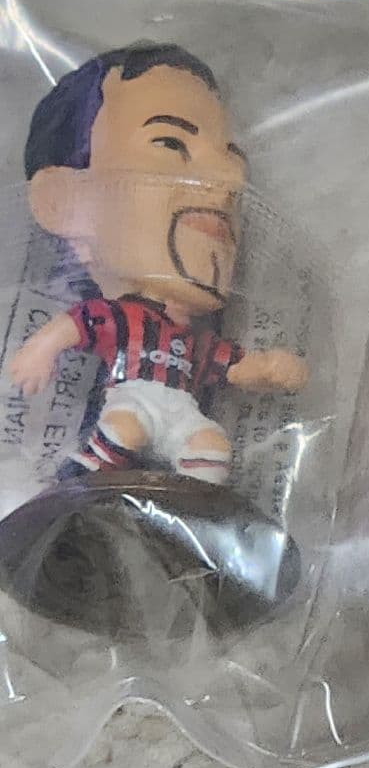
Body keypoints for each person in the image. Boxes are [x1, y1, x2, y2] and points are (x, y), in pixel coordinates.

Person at [9, 42, 307, 486]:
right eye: (170, 143)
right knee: (124, 430)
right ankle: (78, 485)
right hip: (132, 403)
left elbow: (225, 363)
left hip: (179, 410)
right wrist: (39, 350)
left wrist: (264, 369)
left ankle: (190, 510)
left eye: (235, 164)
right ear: (64, 202)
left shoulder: (191, 340)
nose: (232, 182)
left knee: (211, 447)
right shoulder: (123, 319)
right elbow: (80, 323)